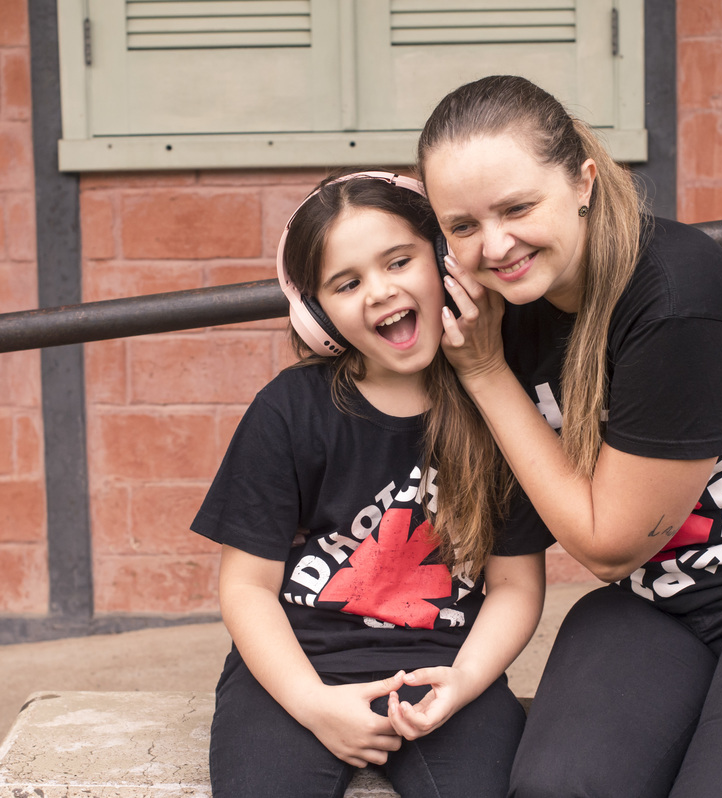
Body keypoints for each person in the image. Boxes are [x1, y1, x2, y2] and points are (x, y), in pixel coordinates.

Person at [416, 75, 722, 798]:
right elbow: (357, 275)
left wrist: (488, 373)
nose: (495, 245)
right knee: (560, 790)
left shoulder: (674, 296)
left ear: (583, 182)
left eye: (518, 208)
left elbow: (609, 544)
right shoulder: (494, 305)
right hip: (657, 606)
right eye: (462, 226)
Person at [191, 170, 552, 798]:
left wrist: (465, 681)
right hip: (297, 670)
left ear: (443, 261)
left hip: (446, 670)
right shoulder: (287, 411)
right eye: (347, 283)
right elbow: (247, 587)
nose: (380, 291)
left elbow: (515, 586)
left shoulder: (501, 409)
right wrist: (312, 704)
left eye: (399, 261)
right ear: (316, 313)